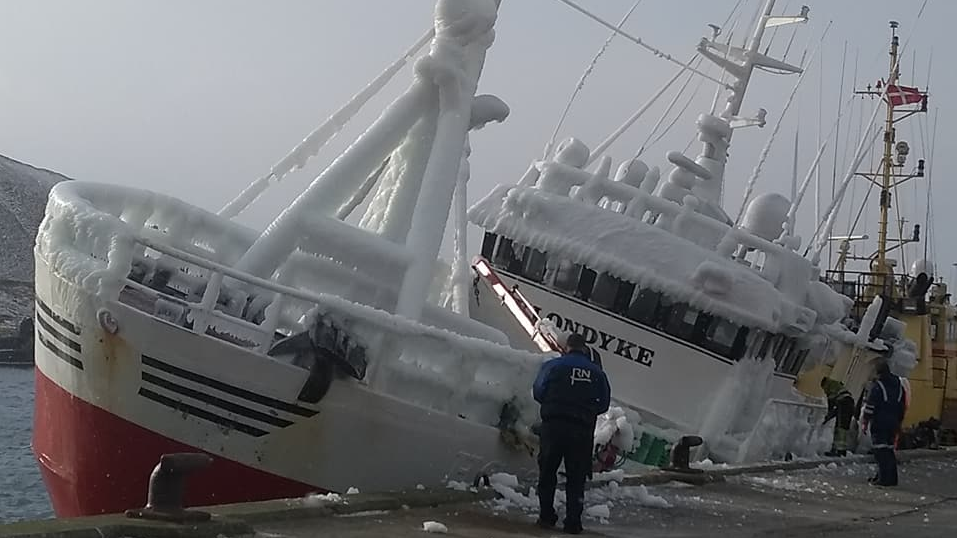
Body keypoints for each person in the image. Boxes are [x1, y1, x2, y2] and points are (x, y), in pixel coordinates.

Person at [533, 332, 611, 534]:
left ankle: (546, 516)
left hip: (554, 426)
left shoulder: (553, 366)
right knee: (576, 478)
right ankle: (573, 522)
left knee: (548, 472)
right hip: (581, 431)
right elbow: (603, 404)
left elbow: (538, 391)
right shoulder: (597, 373)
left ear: (567, 347)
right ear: (585, 349)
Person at [860, 361, 907, 487]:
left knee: (880, 451)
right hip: (894, 422)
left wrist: (865, 420)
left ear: (878, 372)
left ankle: (883, 479)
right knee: (889, 450)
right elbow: (902, 406)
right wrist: (899, 421)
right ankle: (891, 478)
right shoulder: (899, 386)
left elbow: (871, 405)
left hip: (880, 422)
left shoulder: (878, 386)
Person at [821, 377, 855, 457]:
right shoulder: (836, 384)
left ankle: (837, 451)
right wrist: (829, 416)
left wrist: (828, 416)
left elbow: (831, 404)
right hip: (850, 404)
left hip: (843, 404)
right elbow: (835, 410)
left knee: (839, 428)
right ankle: (842, 450)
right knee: (844, 427)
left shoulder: (828, 387)